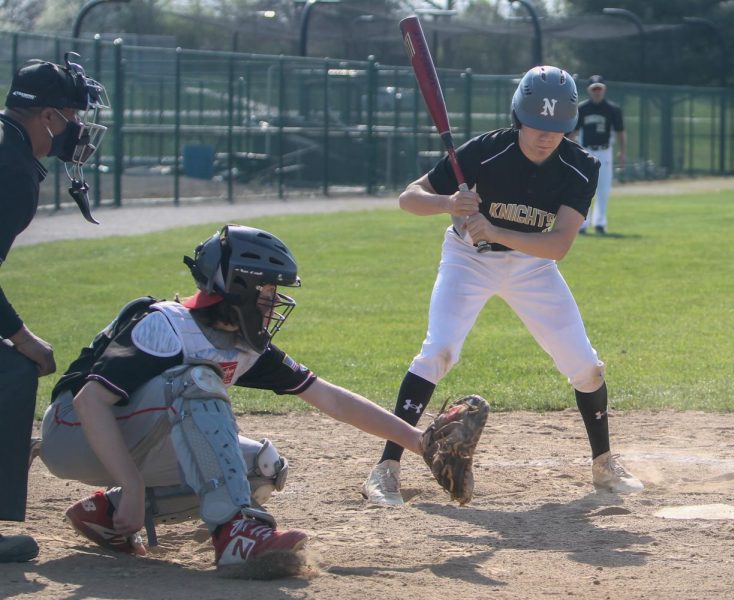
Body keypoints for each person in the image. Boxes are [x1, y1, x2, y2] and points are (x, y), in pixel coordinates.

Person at [40, 224, 437, 579]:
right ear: (238, 287)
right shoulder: (165, 324)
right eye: (267, 291)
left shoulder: (241, 345)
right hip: (71, 433)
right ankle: (235, 533)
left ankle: (106, 515)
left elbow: (330, 398)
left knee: (262, 468)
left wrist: (418, 441)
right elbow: (91, 401)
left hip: (127, 437)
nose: (273, 301)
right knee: (198, 378)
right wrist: (132, 483)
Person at [361, 65, 643, 507]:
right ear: (518, 117)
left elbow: (558, 245)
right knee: (438, 351)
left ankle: (604, 464)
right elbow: (408, 198)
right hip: (467, 260)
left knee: (586, 367)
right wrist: (448, 203)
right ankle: (387, 468)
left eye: (556, 127)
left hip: (532, 266)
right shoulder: (487, 150)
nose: (545, 135)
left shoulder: (580, 166)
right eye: (536, 125)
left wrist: (495, 230)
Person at [0, 53, 108, 563]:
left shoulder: (8, 146)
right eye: (72, 115)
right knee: (13, 369)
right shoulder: (13, 168)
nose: (78, 129)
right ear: (47, 116)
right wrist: (21, 335)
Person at [567, 75, 626, 235]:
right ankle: (582, 224)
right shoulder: (582, 108)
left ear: (604, 89)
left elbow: (620, 132)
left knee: (603, 188)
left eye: (599, 88)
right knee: (584, 187)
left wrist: (622, 151)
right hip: (586, 151)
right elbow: (573, 132)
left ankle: (600, 223)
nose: (597, 92)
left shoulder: (613, 109)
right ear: (589, 90)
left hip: (605, 151)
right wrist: (569, 151)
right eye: (594, 89)